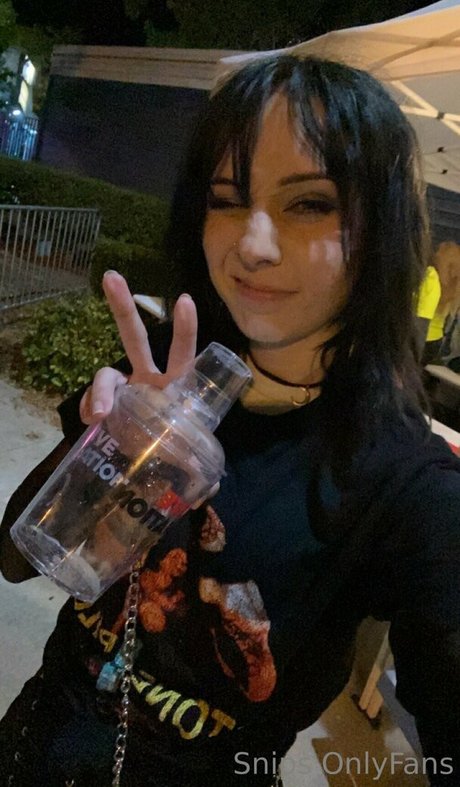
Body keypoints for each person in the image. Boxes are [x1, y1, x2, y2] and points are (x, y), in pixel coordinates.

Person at [1, 54, 460, 787]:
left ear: (381, 229)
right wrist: (110, 453)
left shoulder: (405, 482)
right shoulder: (162, 371)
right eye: (226, 199)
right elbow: (16, 557)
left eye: (310, 203)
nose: (251, 245)